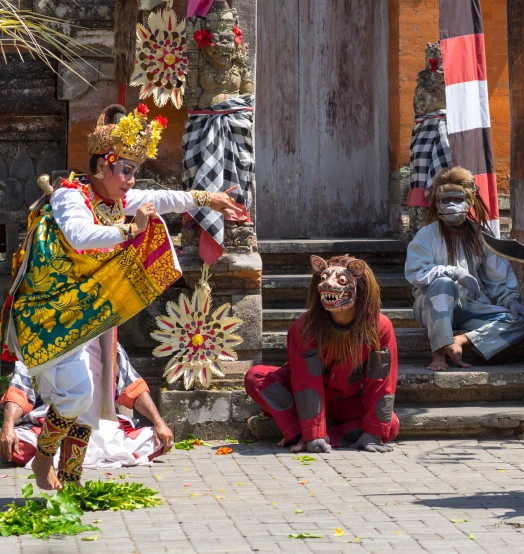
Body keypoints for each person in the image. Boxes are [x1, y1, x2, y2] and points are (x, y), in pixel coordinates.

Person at [1, 103, 235, 490]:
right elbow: (79, 236)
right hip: (45, 311)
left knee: (89, 403)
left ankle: (71, 484)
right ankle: (45, 460)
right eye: (125, 170)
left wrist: (207, 199)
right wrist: (130, 231)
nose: (130, 180)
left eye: (134, 172)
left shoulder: (112, 201)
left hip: (80, 312)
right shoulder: (70, 197)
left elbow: (160, 200)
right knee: (78, 397)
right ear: (101, 167)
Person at [245, 255, 398, 454]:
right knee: (255, 377)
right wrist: (313, 435)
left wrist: (373, 433)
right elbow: (305, 382)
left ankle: (323, 434)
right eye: (324, 279)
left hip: (348, 402)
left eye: (341, 281)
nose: (328, 285)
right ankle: (310, 433)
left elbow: (381, 381)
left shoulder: (380, 326)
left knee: (388, 425)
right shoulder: (304, 328)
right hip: (304, 400)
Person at [404, 167, 524, 371]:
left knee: (520, 321)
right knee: (443, 284)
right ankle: (438, 353)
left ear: (469, 201)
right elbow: (417, 274)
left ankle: (461, 340)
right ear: (437, 204)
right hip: (431, 307)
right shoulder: (426, 235)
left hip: (470, 307)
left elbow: (497, 276)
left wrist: (510, 300)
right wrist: (454, 272)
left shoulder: (481, 235)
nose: (452, 205)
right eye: (446, 200)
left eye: (457, 199)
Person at [0, 343, 172, 468]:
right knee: (13, 445)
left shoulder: (106, 342)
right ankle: (49, 458)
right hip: (49, 426)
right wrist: (8, 426)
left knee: (160, 441)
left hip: (99, 430)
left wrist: (158, 422)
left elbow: (132, 386)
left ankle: (68, 460)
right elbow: (19, 391)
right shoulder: (40, 338)